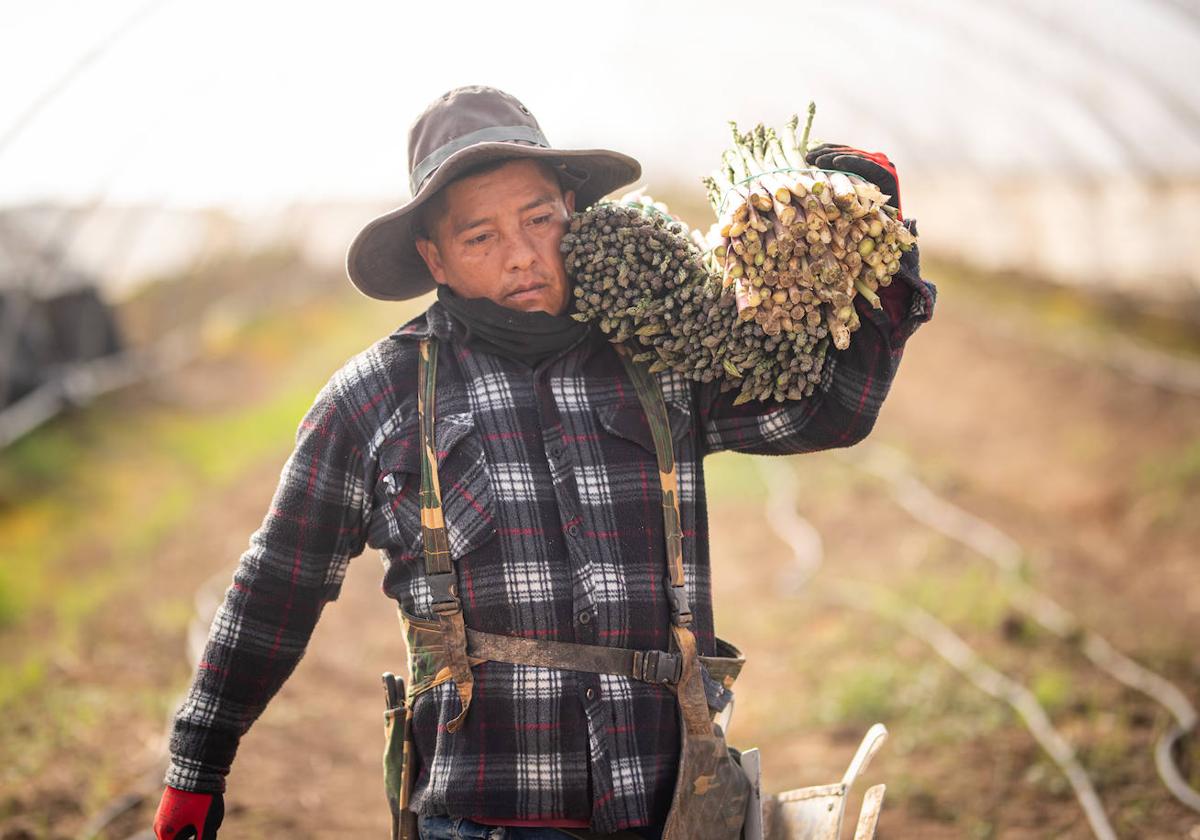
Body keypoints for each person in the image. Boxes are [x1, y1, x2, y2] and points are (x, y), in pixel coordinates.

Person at [151, 85, 936, 840]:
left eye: (539, 220)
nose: (523, 256)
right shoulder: (381, 397)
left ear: (574, 215)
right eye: (481, 237)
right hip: (488, 816)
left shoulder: (656, 354)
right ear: (434, 257)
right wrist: (198, 764)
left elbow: (824, 410)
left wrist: (877, 259)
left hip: (672, 801)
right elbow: (278, 583)